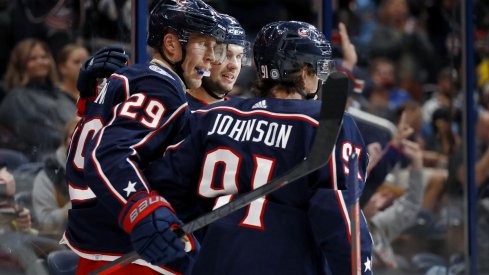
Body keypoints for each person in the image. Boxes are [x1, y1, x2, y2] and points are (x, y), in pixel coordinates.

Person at [145, 21, 373, 275]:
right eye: (316, 69)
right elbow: (339, 218)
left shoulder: (212, 116)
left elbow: (166, 188)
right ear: (304, 72)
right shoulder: (326, 123)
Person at [63, 0, 227, 274]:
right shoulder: (159, 85)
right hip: (132, 252)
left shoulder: (135, 77)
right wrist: (143, 212)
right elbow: (109, 154)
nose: (213, 57)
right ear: (172, 45)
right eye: (203, 45)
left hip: (99, 240)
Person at [0, 38, 76, 161]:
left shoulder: (60, 94)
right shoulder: (16, 99)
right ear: (21, 64)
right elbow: (40, 135)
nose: (40, 62)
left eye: (44, 57)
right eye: (33, 59)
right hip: (46, 161)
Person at [185, 13, 251, 109]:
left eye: (239, 57)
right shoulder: (177, 109)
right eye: (225, 55)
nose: (235, 66)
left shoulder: (245, 111)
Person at [32, 119, 78, 238]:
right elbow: (45, 223)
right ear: (65, 142)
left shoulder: (104, 170)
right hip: (66, 243)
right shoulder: (47, 177)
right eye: (74, 136)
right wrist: (73, 207)